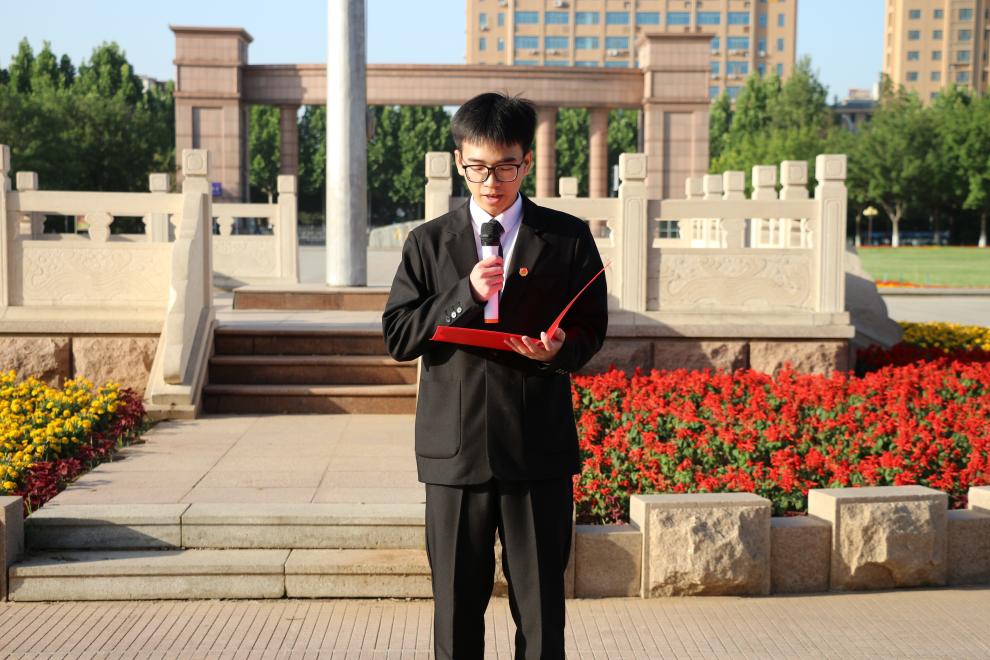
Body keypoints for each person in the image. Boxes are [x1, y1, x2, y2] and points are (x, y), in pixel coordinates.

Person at [382, 91, 608, 660]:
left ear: (526, 162)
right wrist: (465, 293)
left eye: (505, 167)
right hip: (454, 454)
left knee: (541, 613)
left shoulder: (567, 238)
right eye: (478, 167)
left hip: (537, 452)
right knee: (456, 612)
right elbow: (399, 336)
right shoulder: (428, 242)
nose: (491, 182)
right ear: (460, 161)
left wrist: (559, 348)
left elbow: (592, 330)